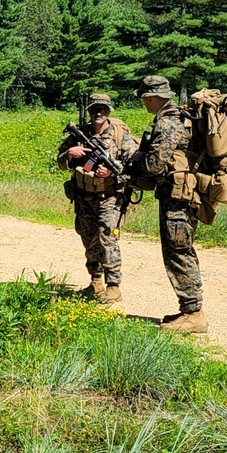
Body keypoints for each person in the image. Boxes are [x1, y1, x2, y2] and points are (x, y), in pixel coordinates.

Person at [127, 75, 208, 333]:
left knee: (178, 250)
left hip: (177, 197)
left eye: (144, 99)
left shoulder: (169, 122)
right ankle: (189, 308)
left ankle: (193, 314)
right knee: (179, 249)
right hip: (178, 194)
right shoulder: (179, 117)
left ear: (150, 97)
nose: (144, 103)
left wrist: (136, 158)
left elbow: (154, 164)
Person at [57, 94, 139, 304]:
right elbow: (60, 161)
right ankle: (95, 281)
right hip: (84, 197)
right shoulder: (80, 135)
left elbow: (134, 166)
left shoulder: (120, 136)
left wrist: (112, 172)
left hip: (109, 198)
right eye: (94, 110)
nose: (98, 113)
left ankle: (113, 286)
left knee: (107, 238)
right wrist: (69, 154)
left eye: (102, 109)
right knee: (88, 237)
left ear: (109, 111)